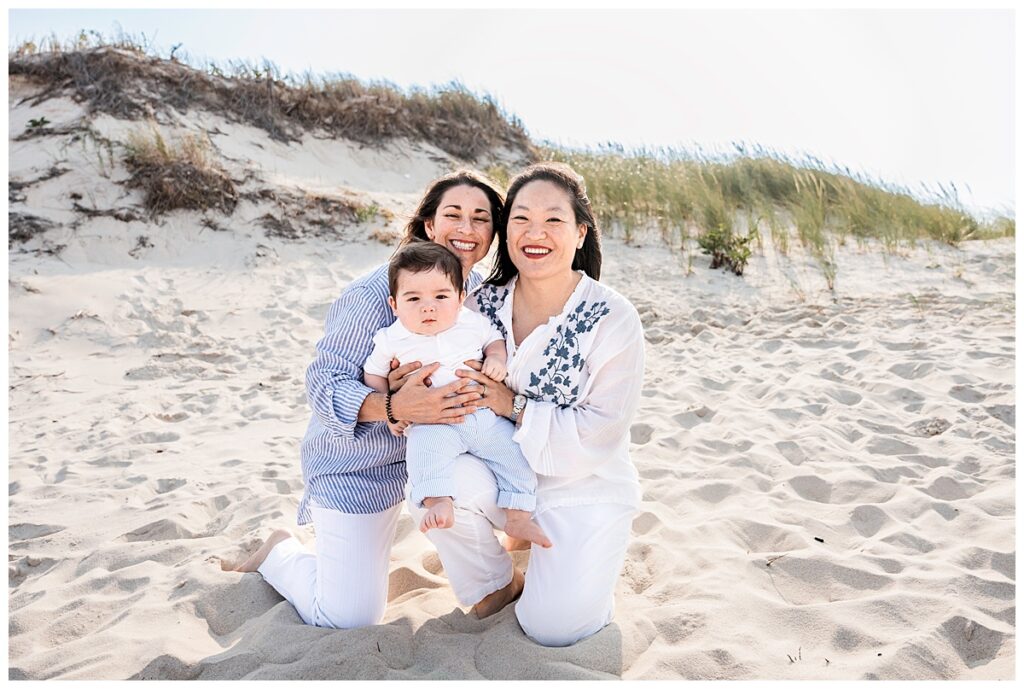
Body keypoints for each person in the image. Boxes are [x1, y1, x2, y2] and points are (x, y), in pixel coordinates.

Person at [226, 170, 504, 630]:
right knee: (349, 617)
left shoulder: (475, 295)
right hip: (360, 467)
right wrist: (396, 408)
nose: (467, 229)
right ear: (429, 226)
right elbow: (323, 385)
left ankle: (506, 571)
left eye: (480, 219)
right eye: (453, 215)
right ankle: (278, 551)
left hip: (435, 459)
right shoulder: (374, 295)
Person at [405, 162, 646, 646]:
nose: (536, 233)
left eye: (553, 220)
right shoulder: (479, 304)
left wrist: (511, 404)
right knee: (430, 483)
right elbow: (435, 362)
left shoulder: (612, 317)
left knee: (553, 628)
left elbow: (600, 432)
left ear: (580, 232)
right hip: (504, 474)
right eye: (521, 219)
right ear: (506, 230)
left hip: (583, 483)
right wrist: (406, 385)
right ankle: (497, 583)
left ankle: (581, 566)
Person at [362, 241, 551, 548]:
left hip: (484, 417)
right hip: (435, 424)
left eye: (441, 296)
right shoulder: (390, 338)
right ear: (394, 304)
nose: (428, 306)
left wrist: (496, 360)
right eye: (413, 298)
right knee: (423, 453)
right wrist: (390, 408)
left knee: (515, 455)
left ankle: (517, 516)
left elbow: (493, 341)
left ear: (461, 298)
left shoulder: (471, 323)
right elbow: (373, 373)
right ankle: (438, 500)